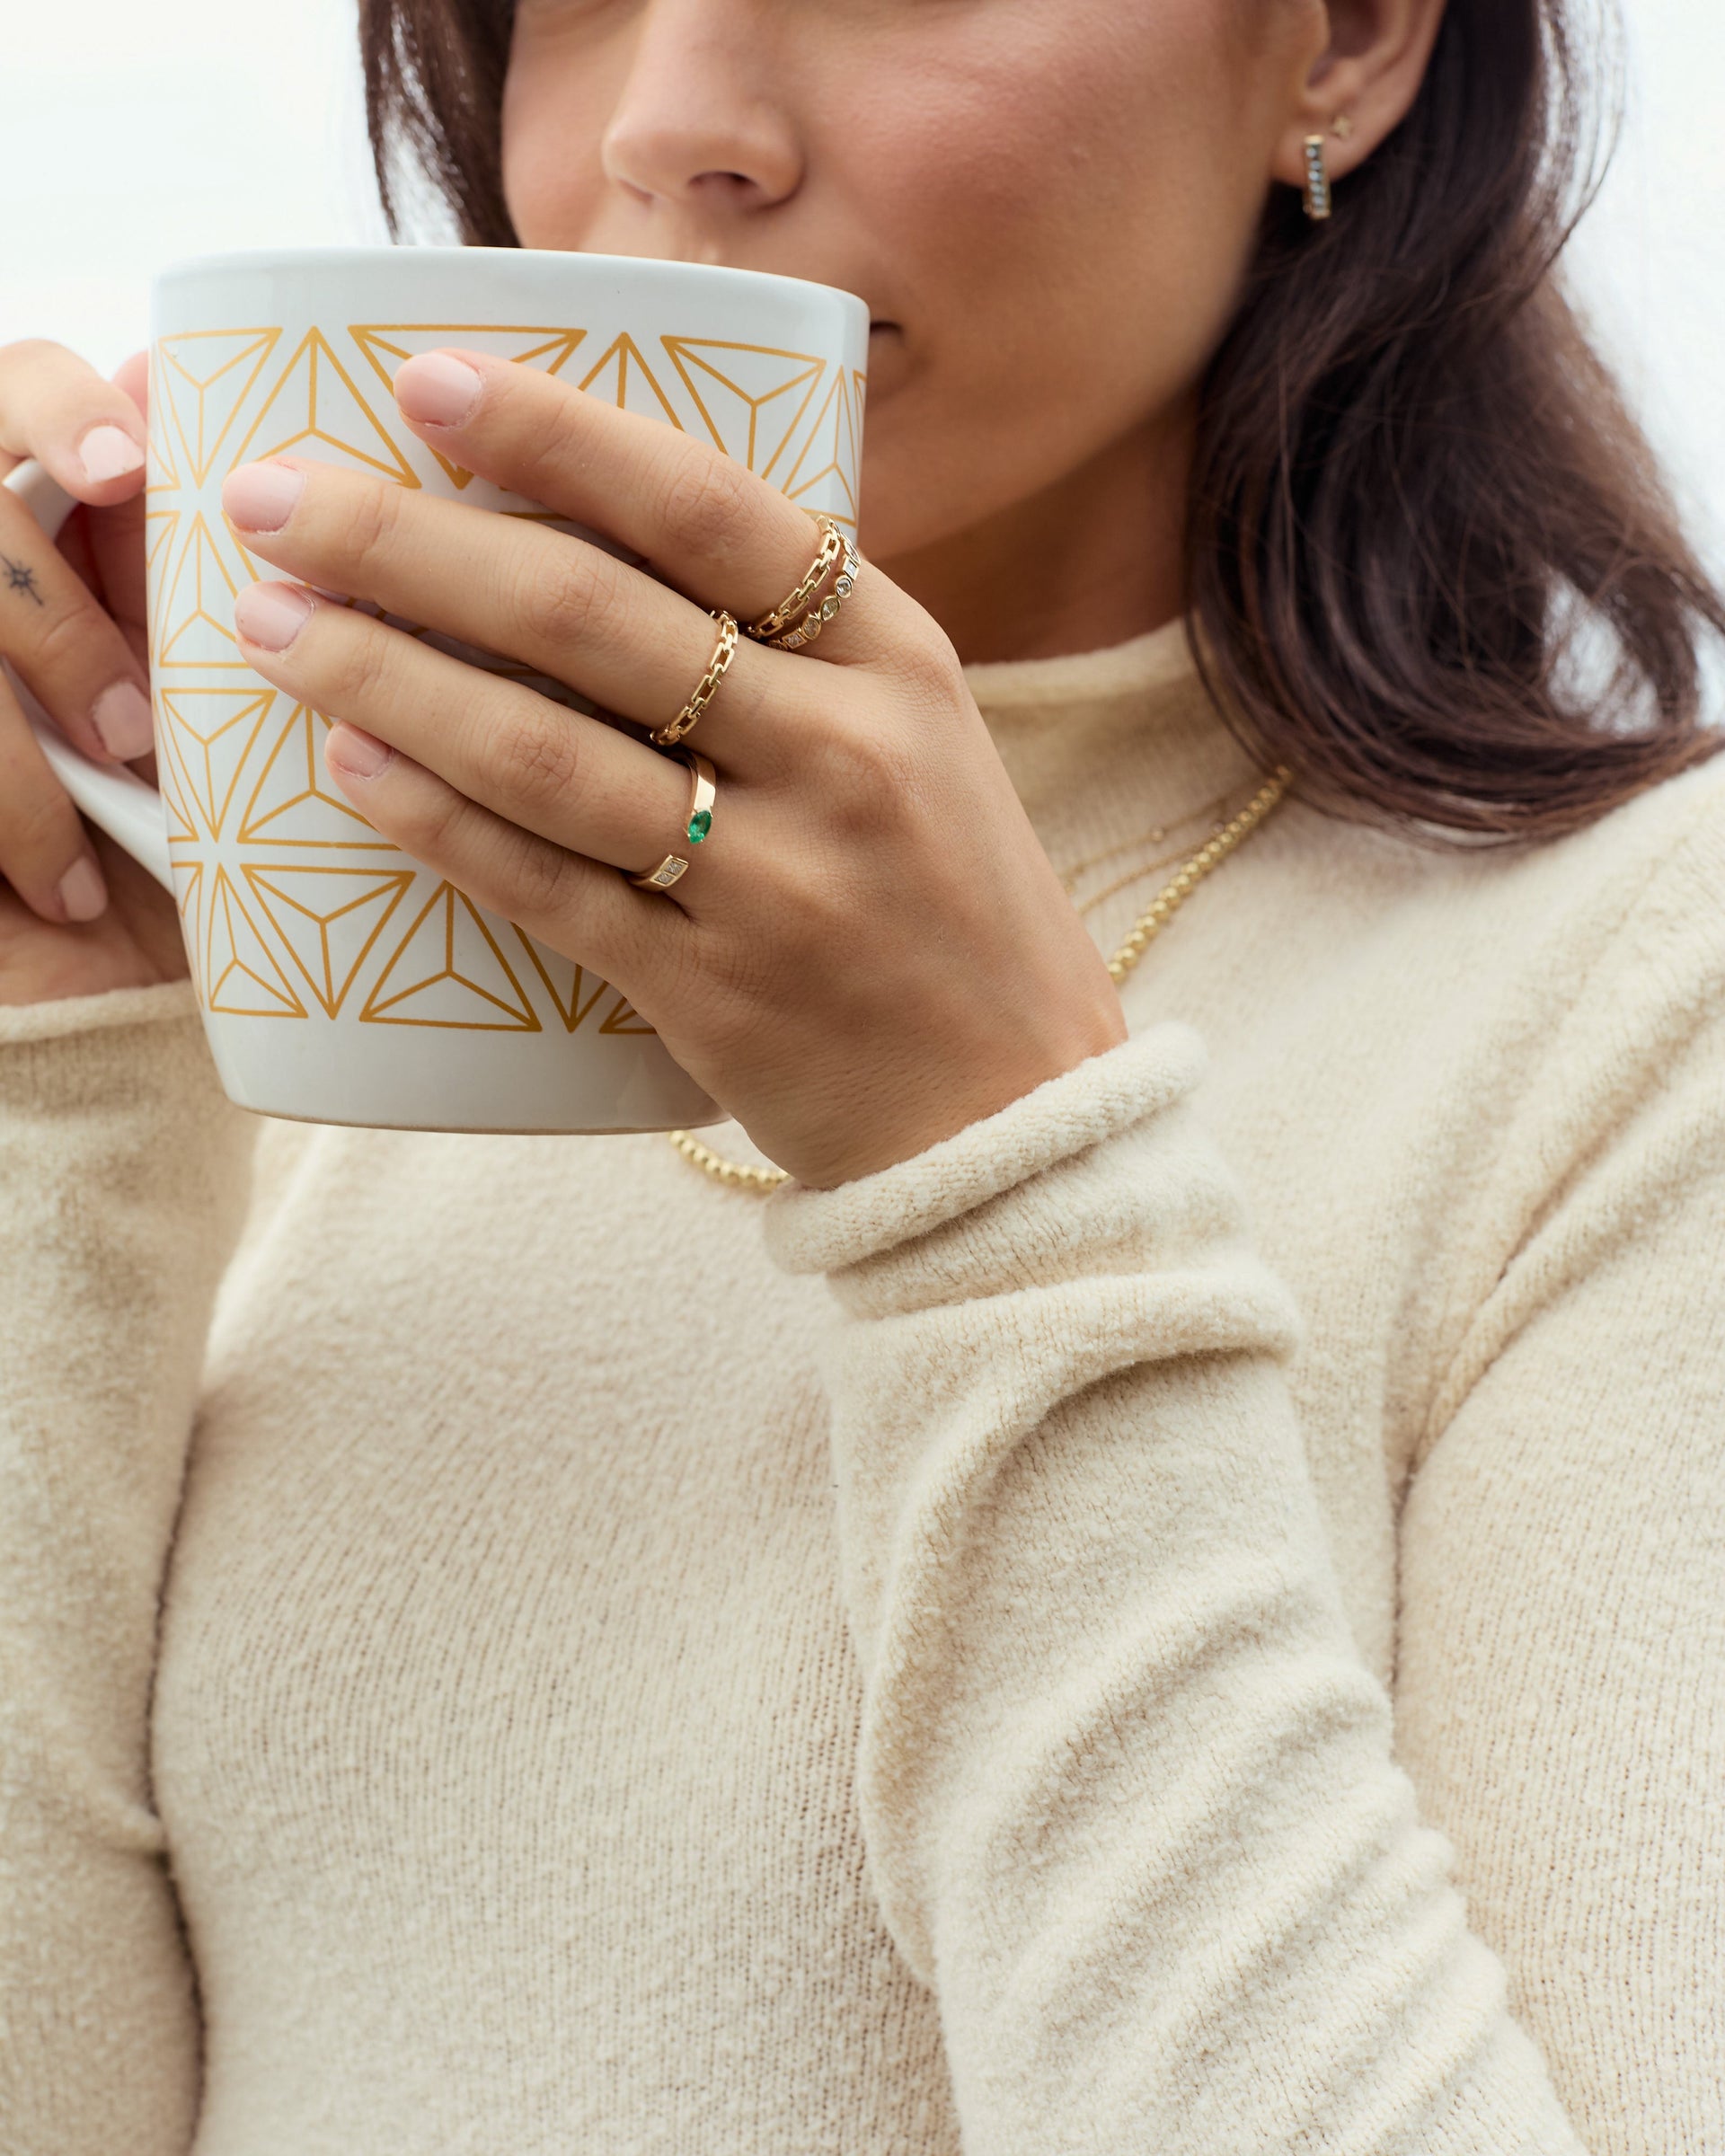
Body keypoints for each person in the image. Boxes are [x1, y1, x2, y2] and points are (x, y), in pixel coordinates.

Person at [1, 0, 1721, 2148]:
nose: (672, 125)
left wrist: (995, 1179)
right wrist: (59, 1036)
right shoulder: (331, 982)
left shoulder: (1653, 1000)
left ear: (1346, 44)